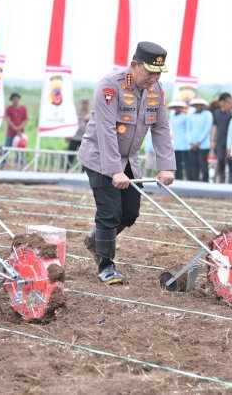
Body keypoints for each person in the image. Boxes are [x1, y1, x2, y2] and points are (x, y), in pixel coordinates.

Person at [79, 41, 175, 285]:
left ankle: (96, 239)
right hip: (100, 157)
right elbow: (106, 131)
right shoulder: (110, 87)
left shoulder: (156, 90)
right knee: (109, 213)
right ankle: (106, 266)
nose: (154, 78)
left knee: (130, 213)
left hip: (129, 158)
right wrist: (114, 171)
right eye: (149, 72)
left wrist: (166, 166)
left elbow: (161, 128)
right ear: (134, 65)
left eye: (158, 73)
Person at [187, 97, 212, 182]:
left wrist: (199, 142)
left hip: (203, 144)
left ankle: (205, 183)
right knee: (194, 165)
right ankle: (195, 183)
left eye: (199, 105)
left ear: (202, 105)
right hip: (192, 145)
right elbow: (188, 130)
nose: (198, 106)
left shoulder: (207, 114)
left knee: (203, 165)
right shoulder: (190, 115)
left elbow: (207, 129)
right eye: (196, 105)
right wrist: (191, 142)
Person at [211, 93, 232, 183]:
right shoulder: (216, 113)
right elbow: (214, 127)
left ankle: (231, 182)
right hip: (220, 142)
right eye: (228, 102)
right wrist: (212, 141)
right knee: (220, 161)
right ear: (222, 102)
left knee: (231, 162)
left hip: (231, 142)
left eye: (231, 102)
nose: (230, 104)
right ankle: (221, 181)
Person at [168, 99, 190, 180]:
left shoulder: (185, 117)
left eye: (178, 107)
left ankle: (189, 178)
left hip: (185, 143)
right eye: (175, 107)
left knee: (187, 163)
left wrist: (189, 141)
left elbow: (188, 130)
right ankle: (178, 178)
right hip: (176, 143)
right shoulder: (172, 117)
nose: (177, 108)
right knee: (177, 163)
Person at [66, 98, 90, 169]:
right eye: (83, 103)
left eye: (85, 103)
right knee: (70, 154)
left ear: (88, 104)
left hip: (84, 138)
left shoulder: (89, 114)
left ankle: (83, 171)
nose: (84, 105)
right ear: (81, 104)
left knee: (84, 155)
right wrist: (67, 134)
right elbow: (70, 124)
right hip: (74, 137)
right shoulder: (76, 113)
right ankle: (67, 168)